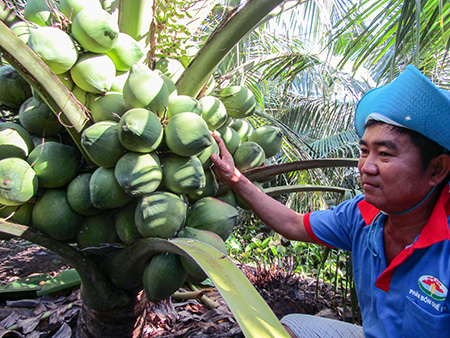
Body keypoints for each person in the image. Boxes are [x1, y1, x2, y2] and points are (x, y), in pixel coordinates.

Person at [210, 65, 450, 338]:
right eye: (363, 151)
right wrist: (235, 178)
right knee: (289, 328)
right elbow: (293, 223)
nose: (366, 167)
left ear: (436, 170)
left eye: (384, 154)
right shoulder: (362, 216)